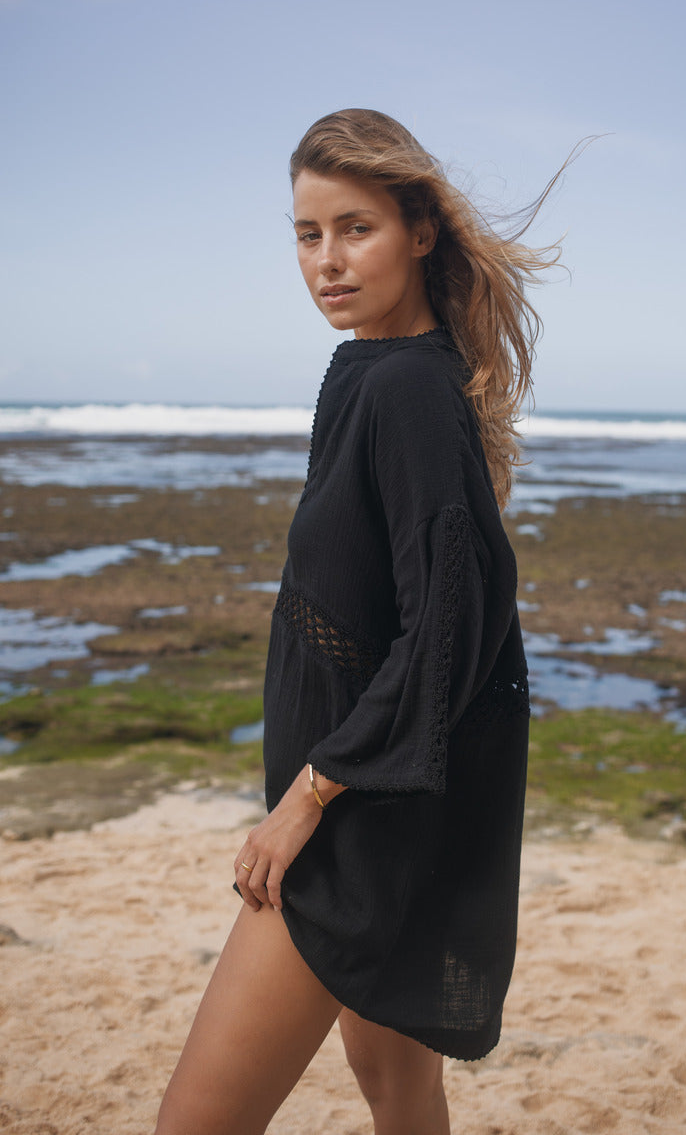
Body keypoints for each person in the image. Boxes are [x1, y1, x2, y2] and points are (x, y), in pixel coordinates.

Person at [155, 108, 568, 1135]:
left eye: (355, 228)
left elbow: (450, 628)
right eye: (308, 234)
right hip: (373, 808)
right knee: (397, 1090)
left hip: (356, 833)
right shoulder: (365, 372)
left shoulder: (407, 391)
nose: (327, 261)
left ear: (419, 232)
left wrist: (307, 798)